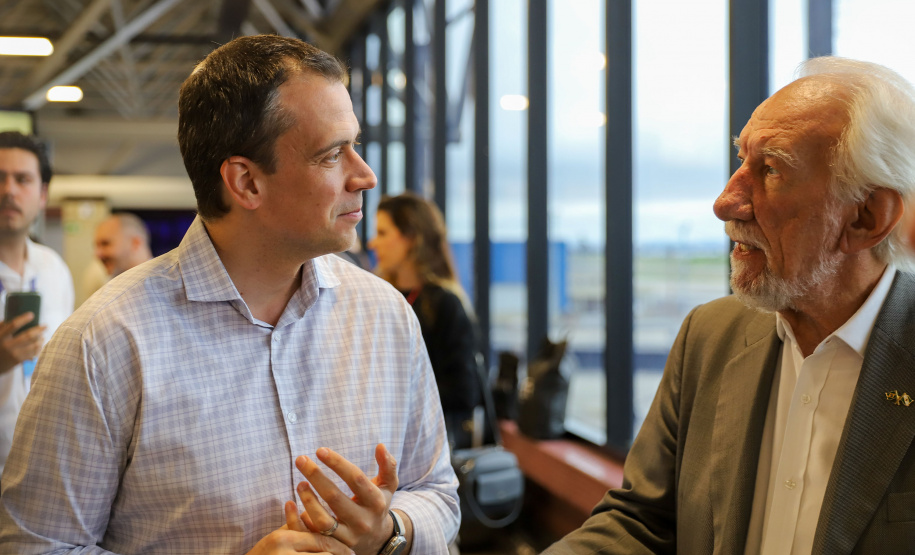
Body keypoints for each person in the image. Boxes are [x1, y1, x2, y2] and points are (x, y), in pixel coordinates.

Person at [0, 35, 458, 555]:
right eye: (333, 154)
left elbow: (437, 491)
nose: (365, 176)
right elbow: (35, 547)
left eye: (355, 145)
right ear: (246, 182)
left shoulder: (385, 315)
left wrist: (390, 533)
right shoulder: (105, 342)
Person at [544, 56, 915, 554]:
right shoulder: (709, 336)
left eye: (771, 170)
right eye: (741, 161)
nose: (725, 202)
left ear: (868, 217)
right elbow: (642, 523)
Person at [368, 193, 480, 449]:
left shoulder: (444, 304)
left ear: (411, 238)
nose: (373, 243)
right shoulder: (378, 296)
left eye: (383, 233)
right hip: (380, 438)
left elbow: (464, 392)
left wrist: (392, 395)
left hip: (426, 445)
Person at [0, 131, 74, 474]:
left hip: (43, 463)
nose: (9, 190)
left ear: (42, 195)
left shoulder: (54, 269)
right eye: (0, 178)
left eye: (23, 179)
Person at [94, 212, 153, 278]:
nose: (97, 254)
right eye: (97, 246)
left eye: (105, 244)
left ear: (135, 243)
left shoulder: (158, 281)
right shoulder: (113, 280)